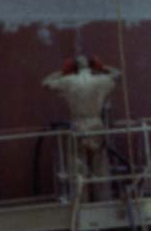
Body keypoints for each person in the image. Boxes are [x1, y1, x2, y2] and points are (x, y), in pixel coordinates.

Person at [42, 55, 121, 200]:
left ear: (74, 67)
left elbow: (46, 83)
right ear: (90, 66)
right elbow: (117, 75)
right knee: (100, 164)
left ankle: (80, 199)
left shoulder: (68, 81)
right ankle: (103, 198)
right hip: (96, 124)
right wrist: (102, 67)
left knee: (77, 164)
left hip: (77, 125)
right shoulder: (100, 80)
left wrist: (63, 71)